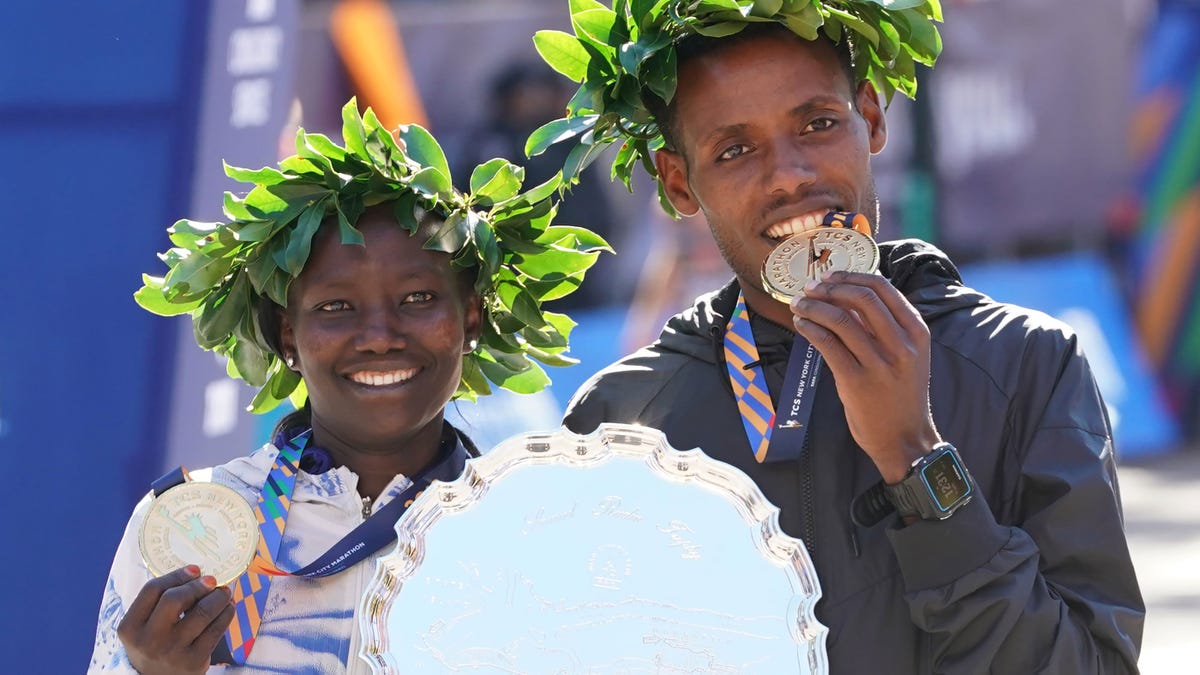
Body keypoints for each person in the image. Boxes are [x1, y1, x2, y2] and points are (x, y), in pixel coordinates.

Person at [534, 3, 1145, 672]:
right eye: (734, 150)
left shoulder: (1028, 363)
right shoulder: (625, 420)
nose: (789, 174)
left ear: (873, 118)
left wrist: (917, 461)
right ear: (679, 181)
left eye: (818, 124)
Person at [89, 99, 606, 673]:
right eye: (336, 307)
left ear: (471, 320)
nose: (379, 337)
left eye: (417, 299)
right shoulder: (192, 525)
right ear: (289, 336)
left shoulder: (535, 531)